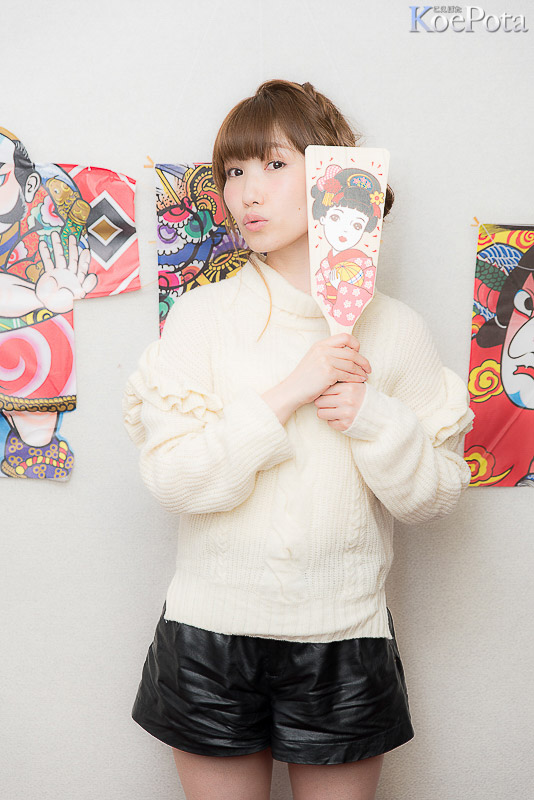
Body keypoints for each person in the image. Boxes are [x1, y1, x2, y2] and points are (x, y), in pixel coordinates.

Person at [123, 80, 473, 800]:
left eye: (275, 164)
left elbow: (435, 498)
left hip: (345, 637)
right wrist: (288, 393)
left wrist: (372, 417)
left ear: (331, 176)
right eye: (234, 171)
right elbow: (173, 479)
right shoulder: (201, 318)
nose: (246, 192)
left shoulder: (395, 329)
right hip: (209, 636)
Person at [310, 165, 382, 325]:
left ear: (364, 230)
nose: (345, 230)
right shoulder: (322, 266)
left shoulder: (366, 268)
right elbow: (319, 297)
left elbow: (349, 314)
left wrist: (340, 286)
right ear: (323, 217)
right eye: (335, 218)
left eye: (357, 225)